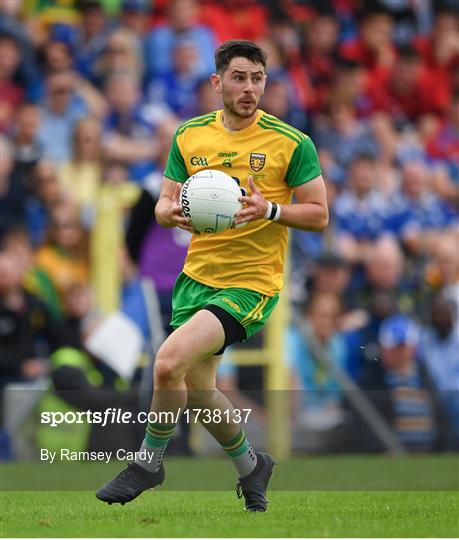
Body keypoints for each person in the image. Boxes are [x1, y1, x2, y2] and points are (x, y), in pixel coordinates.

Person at [96, 39, 328, 512]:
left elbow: (320, 214)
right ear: (216, 82)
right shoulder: (189, 135)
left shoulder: (291, 142)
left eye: (258, 78)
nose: (249, 88)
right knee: (200, 392)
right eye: (239, 78)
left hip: (251, 282)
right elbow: (164, 201)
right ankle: (251, 466)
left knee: (166, 363)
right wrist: (171, 214)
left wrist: (271, 209)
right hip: (197, 277)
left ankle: (147, 462)